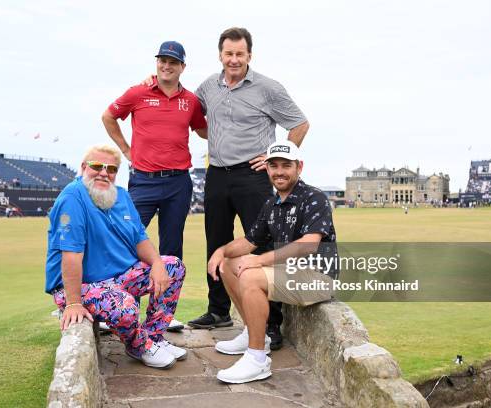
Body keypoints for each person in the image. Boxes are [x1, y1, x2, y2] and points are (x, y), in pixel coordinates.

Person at [187, 28, 310, 350]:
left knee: (259, 244)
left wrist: (273, 156)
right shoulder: (207, 87)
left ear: (249, 56)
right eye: (229, 54)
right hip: (216, 173)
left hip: (252, 177)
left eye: (240, 54)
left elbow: (299, 123)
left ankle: (270, 324)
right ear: (220, 55)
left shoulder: (268, 88)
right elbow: (192, 115)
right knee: (217, 242)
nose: (234, 60)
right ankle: (218, 312)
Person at [45, 144, 187, 369]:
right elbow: (71, 255)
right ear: (83, 167)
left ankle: (154, 338)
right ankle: (139, 346)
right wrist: (73, 303)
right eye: (97, 166)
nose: (104, 172)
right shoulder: (72, 198)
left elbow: (139, 238)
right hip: (79, 285)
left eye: (111, 169)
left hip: (118, 276)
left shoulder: (121, 195)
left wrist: (158, 263)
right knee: (124, 305)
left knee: (173, 267)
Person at [207, 141, 337, 383]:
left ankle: (257, 359)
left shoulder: (313, 197)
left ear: (299, 167)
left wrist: (261, 261)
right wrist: (221, 251)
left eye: (286, 166)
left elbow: (309, 243)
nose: (279, 171)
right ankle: (253, 333)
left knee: (250, 274)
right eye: (274, 165)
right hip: (290, 273)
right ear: (266, 169)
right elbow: (249, 241)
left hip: (317, 278)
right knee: (228, 265)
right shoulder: (272, 203)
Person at [102, 41, 207, 261]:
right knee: (127, 239)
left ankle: (167, 297)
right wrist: (125, 149)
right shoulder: (137, 93)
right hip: (144, 181)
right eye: (162, 61)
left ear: (182, 67)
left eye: (173, 62)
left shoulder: (191, 101)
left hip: (178, 183)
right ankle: (128, 297)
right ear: (157, 63)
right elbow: (108, 116)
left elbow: (201, 130)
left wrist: (233, 130)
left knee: (172, 248)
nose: (166, 66)